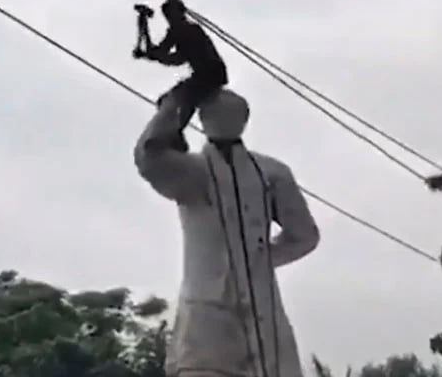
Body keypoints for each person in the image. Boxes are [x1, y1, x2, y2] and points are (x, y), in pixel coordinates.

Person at [134, 88, 320, 377]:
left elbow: (305, 236)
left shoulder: (272, 172)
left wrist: (259, 258)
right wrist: (171, 108)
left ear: (245, 119)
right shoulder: (193, 170)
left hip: (263, 309)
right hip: (207, 309)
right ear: (203, 118)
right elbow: (149, 158)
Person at [142, 0, 228, 153]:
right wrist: (151, 51)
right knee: (173, 99)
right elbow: (173, 57)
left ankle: (175, 134)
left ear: (180, 13)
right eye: (167, 16)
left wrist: (151, 52)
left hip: (209, 73)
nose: (169, 20)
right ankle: (175, 133)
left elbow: (171, 56)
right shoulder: (182, 31)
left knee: (183, 98)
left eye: (171, 15)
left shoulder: (187, 30)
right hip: (209, 73)